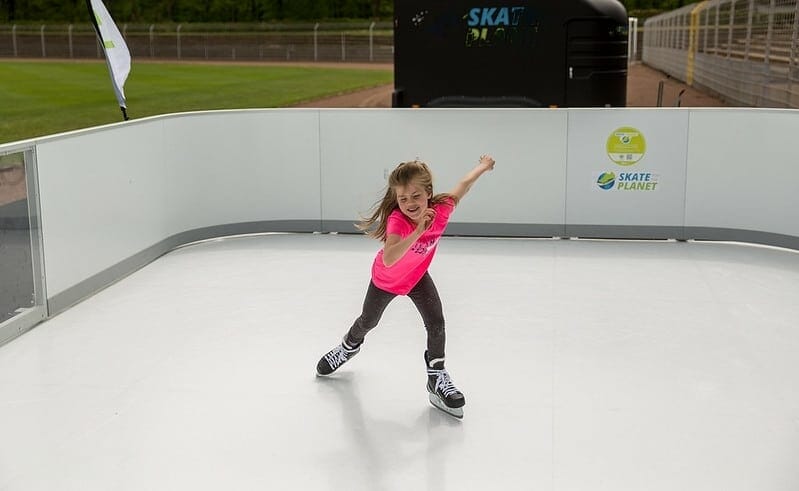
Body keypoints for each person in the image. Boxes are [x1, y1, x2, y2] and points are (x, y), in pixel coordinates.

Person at [315, 154, 496, 417]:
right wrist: (419, 231)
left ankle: (436, 376)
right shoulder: (398, 221)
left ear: (428, 194)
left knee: (437, 322)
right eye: (403, 199)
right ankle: (348, 347)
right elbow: (389, 258)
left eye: (415, 196)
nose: (409, 203)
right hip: (386, 280)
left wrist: (483, 166)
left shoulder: (443, 207)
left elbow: (464, 185)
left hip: (416, 276)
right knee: (368, 321)